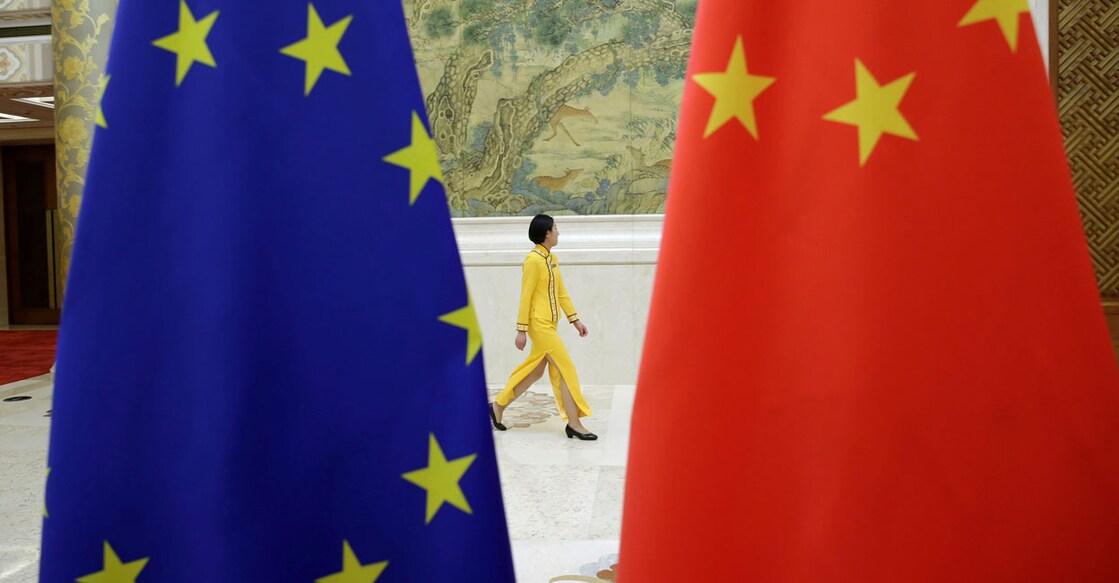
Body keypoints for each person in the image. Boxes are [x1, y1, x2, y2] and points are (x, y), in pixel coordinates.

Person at [490, 214, 596, 440]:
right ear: (547, 233)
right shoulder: (533, 260)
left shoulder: (551, 258)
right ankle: (574, 423)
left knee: (534, 371)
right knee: (566, 368)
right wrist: (521, 330)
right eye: (556, 228)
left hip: (551, 324)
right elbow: (525, 296)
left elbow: (561, 292)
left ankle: (498, 406)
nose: (558, 232)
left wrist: (575, 320)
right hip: (539, 325)